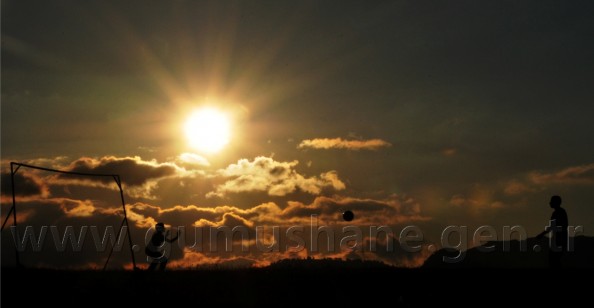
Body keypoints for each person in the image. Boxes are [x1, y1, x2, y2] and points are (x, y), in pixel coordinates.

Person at [536, 195, 568, 268]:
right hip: (560, 240)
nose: (550, 203)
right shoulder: (560, 212)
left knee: (553, 260)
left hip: (559, 240)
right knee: (555, 260)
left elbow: (552, 227)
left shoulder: (558, 213)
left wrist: (541, 234)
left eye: (551, 201)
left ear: (555, 203)